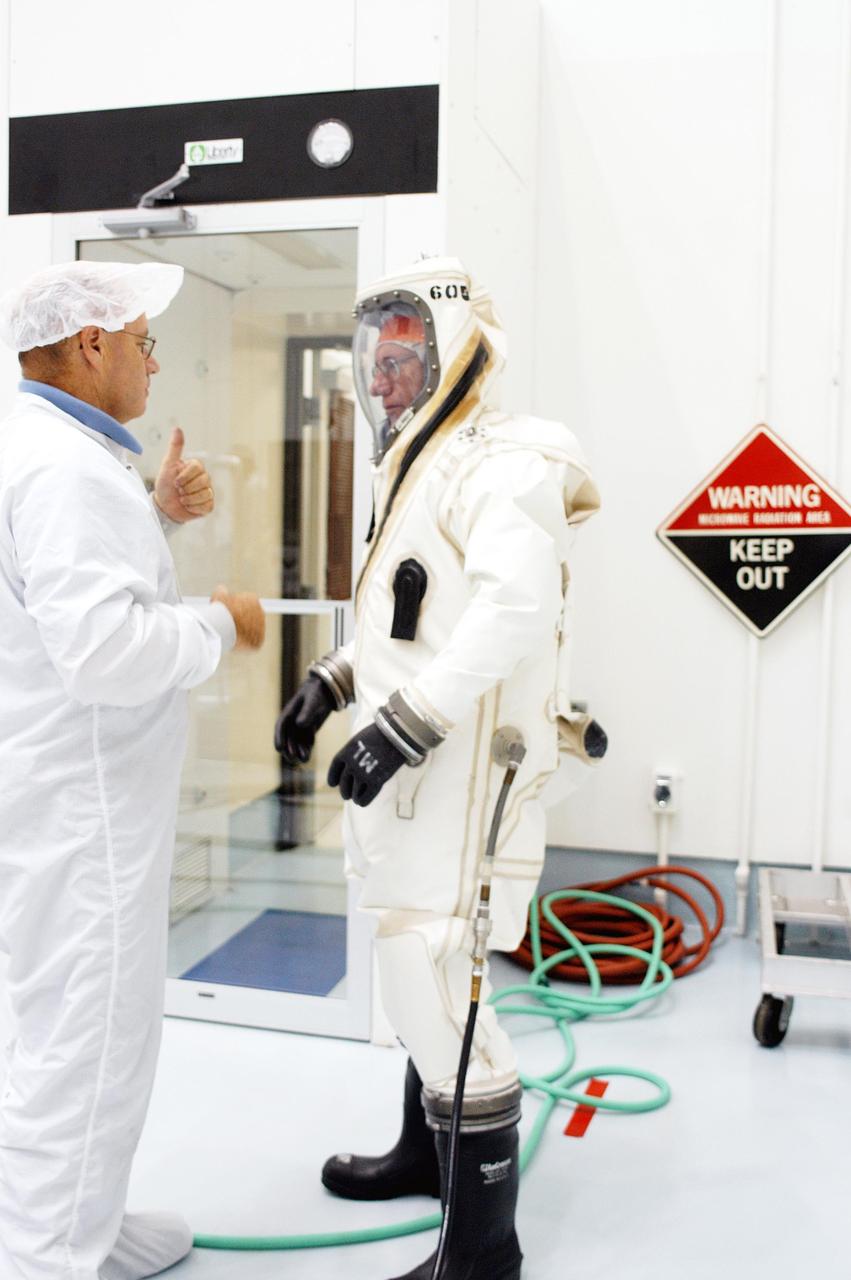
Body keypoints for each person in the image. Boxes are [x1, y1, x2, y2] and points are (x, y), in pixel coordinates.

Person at [276, 257, 605, 1280]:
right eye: (374, 360)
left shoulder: (501, 461)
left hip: (465, 771)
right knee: (403, 954)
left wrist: (408, 720)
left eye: (403, 357)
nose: (382, 381)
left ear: (457, 353)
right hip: (418, 771)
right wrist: (335, 679)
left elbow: (509, 613)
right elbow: (407, 614)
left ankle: (482, 1248)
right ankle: (427, 1153)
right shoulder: (417, 465)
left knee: (435, 967)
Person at [0, 260, 265, 1280]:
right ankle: (47, 1258)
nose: (156, 359)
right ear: (90, 345)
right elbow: (105, 653)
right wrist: (220, 622)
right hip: (86, 814)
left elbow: (50, 596)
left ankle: (87, 1228)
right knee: (88, 1049)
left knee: (64, 1034)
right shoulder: (65, 471)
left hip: (62, 801)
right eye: (144, 340)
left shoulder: (52, 453)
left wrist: (148, 514)